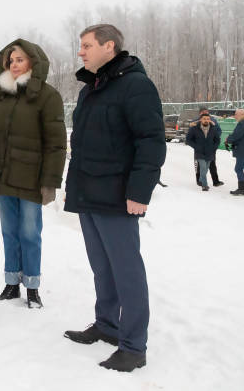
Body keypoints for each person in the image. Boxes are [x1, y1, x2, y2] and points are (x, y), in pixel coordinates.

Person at [63, 24, 165, 372]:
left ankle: (134, 346)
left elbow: (151, 141)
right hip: (89, 193)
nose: (80, 51)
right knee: (102, 267)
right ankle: (107, 324)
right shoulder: (91, 89)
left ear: (109, 46)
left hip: (118, 197)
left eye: (86, 45)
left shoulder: (136, 86)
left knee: (126, 271)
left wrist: (139, 191)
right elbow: (82, 144)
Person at [0, 40, 66, 308]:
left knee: (30, 233)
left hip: (31, 178)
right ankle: (11, 284)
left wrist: (50, 182)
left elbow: (56, 143)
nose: (14, 65)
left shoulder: (48, 96)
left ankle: (32, 287)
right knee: (9, 232)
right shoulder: (4, 96)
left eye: (20, 59)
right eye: (11, 61)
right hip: (3, 177)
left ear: (33, 61)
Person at [186, 112, 221, 191]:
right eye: (204, 119)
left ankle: (201, 179)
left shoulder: (213, 129)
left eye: (208, 119)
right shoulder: (194, 128)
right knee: (203, 167)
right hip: (199, 152)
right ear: (200, 120)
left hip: (210, 152)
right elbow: (188, 140)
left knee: (205, 169)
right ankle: (204, 185)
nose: (206, 120)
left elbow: (217, 140)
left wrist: (214, 148)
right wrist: (196, 147)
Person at [224, 108, 244, 196]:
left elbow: (236, 135)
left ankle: (242, 189)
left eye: (236, 114)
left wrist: (228, 139)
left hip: (242, 150)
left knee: (238, 168)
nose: (235, 116)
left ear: (242, 115)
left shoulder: (242, 123)